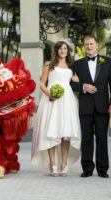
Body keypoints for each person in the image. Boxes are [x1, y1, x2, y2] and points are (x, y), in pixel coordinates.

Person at [70, 35, 111, 178]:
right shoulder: (77, 64)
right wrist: (83, 86)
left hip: (103, 106)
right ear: (84, 47)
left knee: (102, 139)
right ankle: (87, 169)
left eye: (91, 44)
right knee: (86, 139)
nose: (89, 46)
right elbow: (71, 84)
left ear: (97, 45)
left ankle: (103, 169)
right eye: (86, 44)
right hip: (85, 107)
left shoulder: (108, 62)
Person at [31, 41, 81, 177]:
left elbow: (75, 82)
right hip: (52, 100)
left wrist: (77, 81)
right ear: (56, 51)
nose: (63, 51)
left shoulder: (71, 66)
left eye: (65, 48)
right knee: (52, 130)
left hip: (68, 100)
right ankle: (52, 164)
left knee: (66, 132)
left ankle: (64, 164)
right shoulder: (48, 64)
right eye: (60, 49)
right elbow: (42, 83)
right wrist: (49, 94)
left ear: (67, 51)